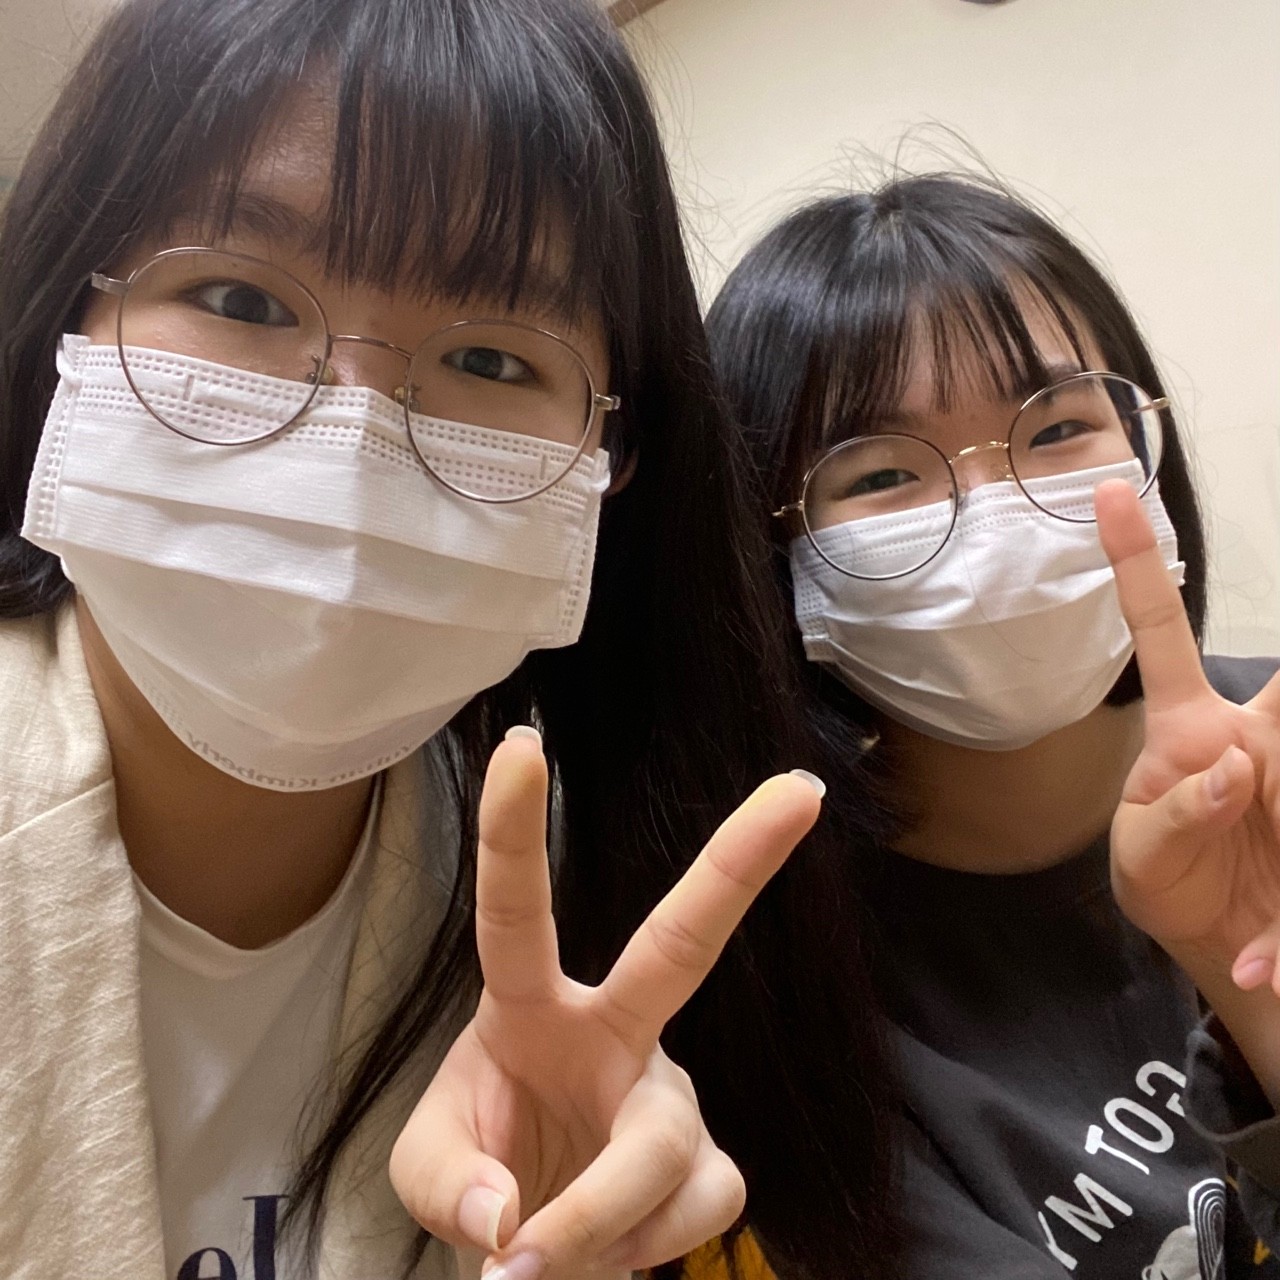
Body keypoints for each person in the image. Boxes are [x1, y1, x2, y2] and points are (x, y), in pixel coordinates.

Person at [0, 2, 895, 1277]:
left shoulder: (588, 906)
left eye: (488, 356)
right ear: (62, 325)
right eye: (240, 295)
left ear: (613, 456)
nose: (352, 437)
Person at [706, 172, 1280, 1278]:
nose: (995, 507)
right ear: (767, 550)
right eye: (880, 471)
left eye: (1058, 425)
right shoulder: (789, 994)